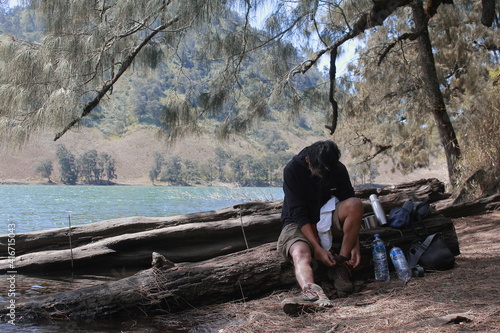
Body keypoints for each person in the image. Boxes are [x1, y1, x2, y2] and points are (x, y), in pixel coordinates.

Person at [277, 140, 363, 315]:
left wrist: (355, 244)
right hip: (297, 222)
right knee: (300, 252)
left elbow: (350, 204)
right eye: (321, 171)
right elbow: (298, 212)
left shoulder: (336, 167)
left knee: (356, 204)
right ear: (309, 161)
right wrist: (316, 247)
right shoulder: (292, 169)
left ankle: (341, 263)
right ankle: (312, 293)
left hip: (327, 215)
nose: (324, 175)